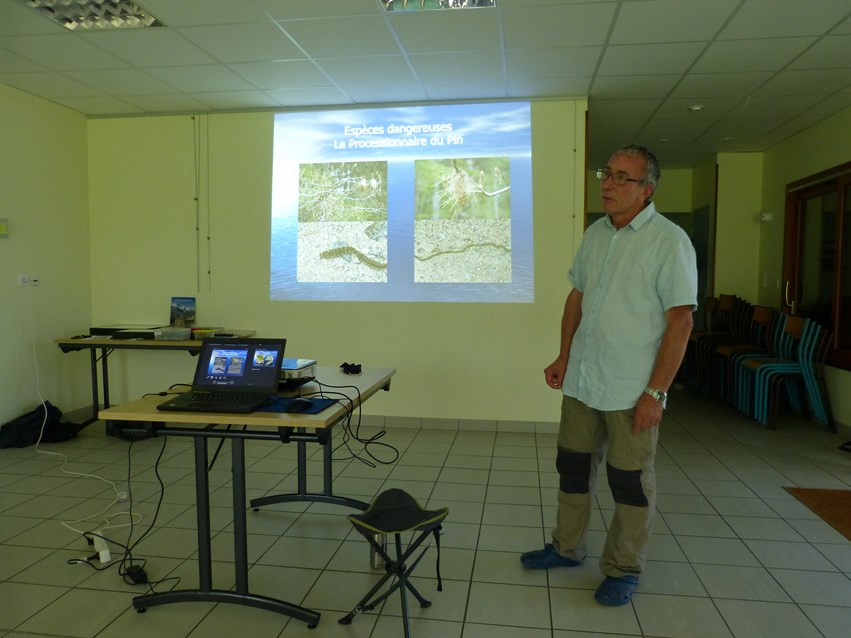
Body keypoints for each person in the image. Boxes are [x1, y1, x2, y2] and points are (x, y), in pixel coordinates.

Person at [521, 144, 697, 606]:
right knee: (573, 469)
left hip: (630, 389)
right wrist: (563, 356)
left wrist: (656, 393)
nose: (608, 183)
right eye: (607, 173)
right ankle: (566, 547)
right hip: (582, 379)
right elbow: (577, 297)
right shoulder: (596, 233)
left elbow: (681, 322)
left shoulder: (669, 241)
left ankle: (623, 567)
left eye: (623, 177)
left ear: (647, 190)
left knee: (629, 481)